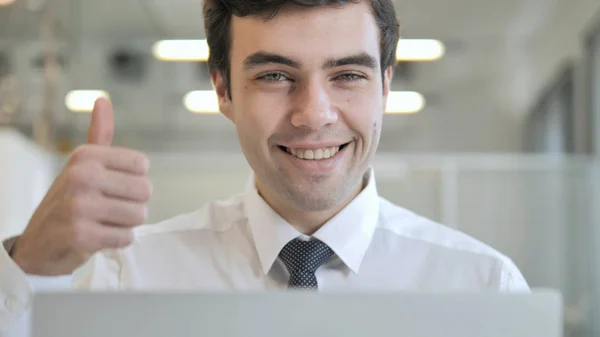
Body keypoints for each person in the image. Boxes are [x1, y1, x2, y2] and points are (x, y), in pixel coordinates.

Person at [0, 0, 530, 334]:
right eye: (276, 75)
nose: (314, 114)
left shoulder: (485, 289)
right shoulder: (129, 276)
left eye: (347, 74)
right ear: (223, 90)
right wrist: (26, 270)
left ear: (386, 86)